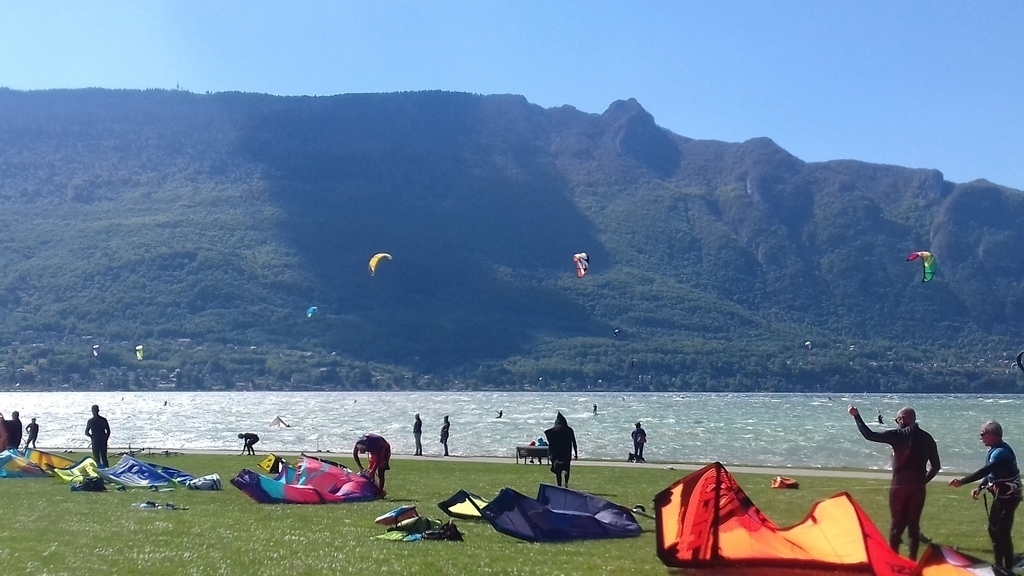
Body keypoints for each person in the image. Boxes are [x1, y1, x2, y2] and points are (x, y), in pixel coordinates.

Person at [848, 405, 939, 560]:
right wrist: (922, 482)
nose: (898, 422)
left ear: (902, 419)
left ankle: (893, 562)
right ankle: (912, 563)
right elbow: (936, 466)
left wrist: (856, 416)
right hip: (917, 488)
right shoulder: (927, 438)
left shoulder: (899, 435)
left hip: (899, 486)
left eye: (898, 419)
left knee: (897, 525)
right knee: (913, 526)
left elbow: (869, 435)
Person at [949, 421, 1022, 571]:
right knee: (993, 530)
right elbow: (991, 474)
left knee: (1002, 532)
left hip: (1009, 498)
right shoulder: (995, 450)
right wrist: (981, 487)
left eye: (983, 434)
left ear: (993, 435)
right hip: (1000, 497)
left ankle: (1007, 569)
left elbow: (986, 470)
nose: (981, 438)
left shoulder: (1001, 453)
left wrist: (962, 482)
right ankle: (999, 566)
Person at [544, 412, 578, 487]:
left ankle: (559, 485)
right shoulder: (569, 430)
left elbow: (550, 444)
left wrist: (549, 454)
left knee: (558, 470)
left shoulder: (553, 431)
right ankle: (566, 484)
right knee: (567, 468)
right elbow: (574, 442)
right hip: (566, 452)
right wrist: (576, 453)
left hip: (556, 453)